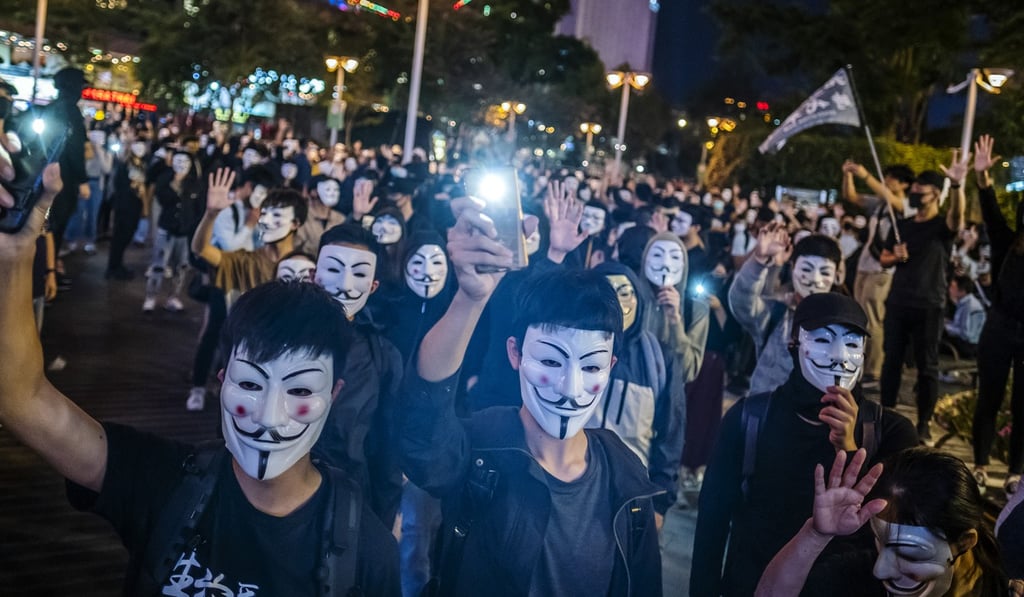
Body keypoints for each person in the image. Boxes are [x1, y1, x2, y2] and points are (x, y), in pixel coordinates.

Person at [0, 162, 399, 595]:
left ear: (334, 393)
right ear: (223, 378)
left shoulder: (366, 550)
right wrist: (15, 256)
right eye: (250, 383)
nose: (268, 415)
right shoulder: (164, 482)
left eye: (300, 389)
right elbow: (20, 397)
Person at [400, 201, 662, 596]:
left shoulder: (625, 478)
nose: (569, 388)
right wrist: (469, 300)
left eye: (591, 367)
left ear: (610, 365)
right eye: (551, 361)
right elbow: (422, 436)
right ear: (515, 353)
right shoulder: (478, 448)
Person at [691, 292, 917, 596]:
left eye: (851, 343)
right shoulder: (749, 419)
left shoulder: (891, 431)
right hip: (754, 584)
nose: (838, 355)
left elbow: (894, 528)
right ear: (794, 344)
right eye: (823, 340)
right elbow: (711, 523)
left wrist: (848, 448)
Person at [756, 448, 1008, 597]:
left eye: (909, 553)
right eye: (881, 542)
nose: (881, 569)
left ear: (965, 542)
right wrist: (815, 534)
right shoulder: (860, 578)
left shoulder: (1000, 584)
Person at [878, 153, 968, 442]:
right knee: (891, 360)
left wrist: (955, 186)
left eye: (920, 192)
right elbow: (883, 257)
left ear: (935, 195)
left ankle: (924, 423)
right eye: (913, 191)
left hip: (930, 305)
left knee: (927, 367)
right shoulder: (902, 225)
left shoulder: (943, 227)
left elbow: (957, 218)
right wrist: (895, 256)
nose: (915, 195)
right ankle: (886, 414)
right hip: (899, 301)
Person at [728, 225, 843, 396]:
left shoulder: (842, 323)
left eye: (825, 272)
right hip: (769, 411)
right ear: (792, 267)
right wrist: (759, 262)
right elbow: (742, 302)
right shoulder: (777, 314)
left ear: (836, 275)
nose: (815, 279)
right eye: (806, 269)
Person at [971, 135, 1024, 496]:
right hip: (999, 329)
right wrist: (982, 177)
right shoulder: (1008, 243)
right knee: (988, 397)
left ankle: (1015, 472)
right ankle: (980, 465)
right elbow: (990, 211)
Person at [944, 273, 986, 359]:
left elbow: (965, 333)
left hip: (969, 346)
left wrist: (946, 327)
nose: (949, 290)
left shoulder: (968, 306)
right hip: (971, 343)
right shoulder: (965, 302)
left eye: (953, 287)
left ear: (962, 290)